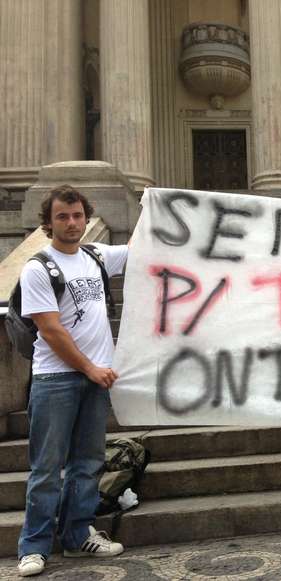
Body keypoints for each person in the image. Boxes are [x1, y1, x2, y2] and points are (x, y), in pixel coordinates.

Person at [17, 185, 127, 577]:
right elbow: (51, 331)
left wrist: (156, 206)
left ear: (87, 217)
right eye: (62, 216)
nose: (72, 223)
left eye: (78, 215)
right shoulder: (37, 268)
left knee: (88, 464)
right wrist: (90, 368)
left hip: (95, 379)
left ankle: (78, 535)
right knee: (47, 468)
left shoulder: (98, 256)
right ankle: (33, 546)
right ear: (48, 223)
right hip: (56, 379)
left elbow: (147, 247)